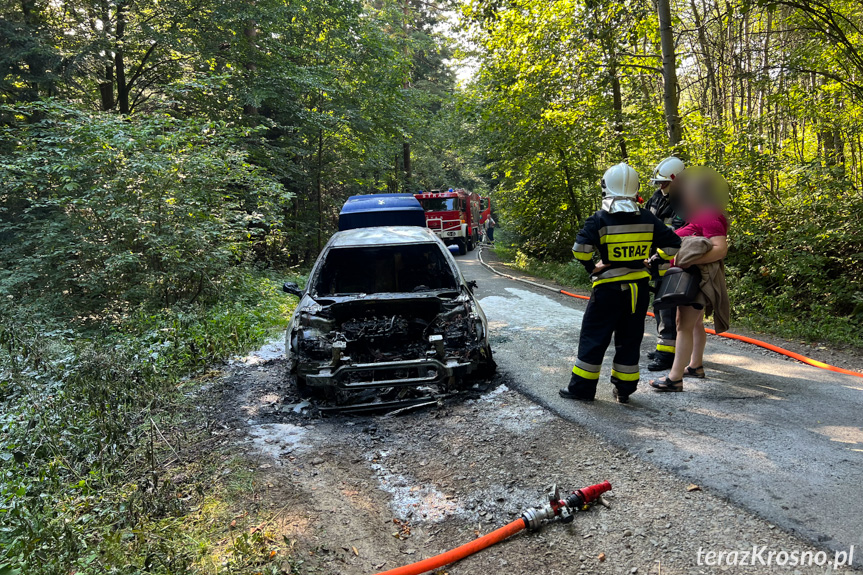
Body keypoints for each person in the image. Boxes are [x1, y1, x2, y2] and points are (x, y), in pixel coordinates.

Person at [560, 163, 681, 404]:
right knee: (630, 339)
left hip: (607, 289)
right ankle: (624, 390)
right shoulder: (647, 217)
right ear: (635, 188)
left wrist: (593, 267)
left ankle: (582, 390)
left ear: (606, 187)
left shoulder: (599, 219)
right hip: (638, 291)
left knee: (594, 338)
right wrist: (651, 261)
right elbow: (673, 245)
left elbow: (580, 250)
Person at [650, 168, 730, 392]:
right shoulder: (701, 216)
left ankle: (674, 378)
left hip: (697, 280)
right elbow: (680, 234)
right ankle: (695, 366)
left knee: (682, 325)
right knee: (694, 324)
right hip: (696, 278)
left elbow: (720, 249)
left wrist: (689, 261)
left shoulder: (710, 216)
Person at [645, 156, 686, 372]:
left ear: (676, 180)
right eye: (659, 182)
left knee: (668, 308)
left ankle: (667, 355)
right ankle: (664, 347)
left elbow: (677, 235)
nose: (661, 186)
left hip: (670, 263)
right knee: (658, 306)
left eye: (665, 182)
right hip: (654, 260)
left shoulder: (684, 201)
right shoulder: (657, 196)